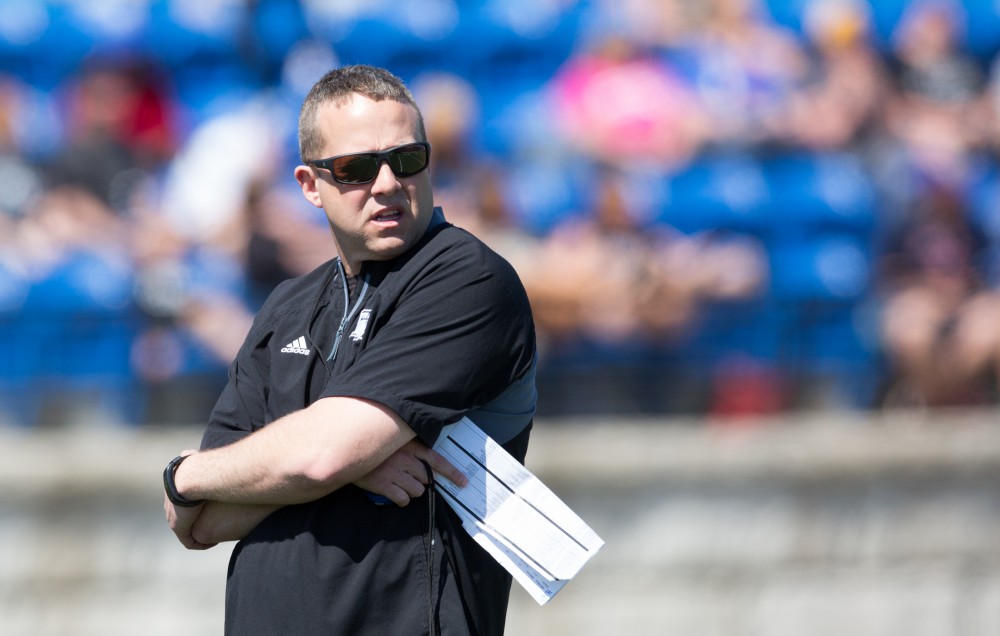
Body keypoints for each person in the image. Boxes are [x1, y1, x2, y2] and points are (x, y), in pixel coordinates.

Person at [162, 64, 538, 636]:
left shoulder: (467, 279)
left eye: (407, 159)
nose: (387, 182)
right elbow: (203, 520)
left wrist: (187, 474)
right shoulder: (288, 305)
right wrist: (334, 467)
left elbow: (319, 457)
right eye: (356, 168)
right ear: (311, 186)